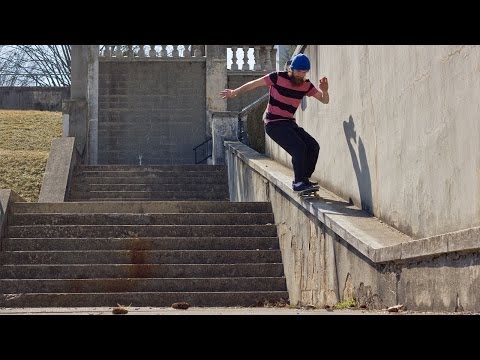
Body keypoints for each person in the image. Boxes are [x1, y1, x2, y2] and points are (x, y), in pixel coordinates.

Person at [220, 53, 329, 192]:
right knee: (299, 148)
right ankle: (299, 182)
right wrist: (235, 92)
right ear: (291, 69)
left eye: (304, 72)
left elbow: (324, 100)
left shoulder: (306, 85)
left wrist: (325, 91)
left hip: (289, 123)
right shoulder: (277, 77)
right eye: (298, 71)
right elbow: (254, 84)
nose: (300, 75)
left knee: (313, 146)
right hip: (273, 123)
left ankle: (304, 179)